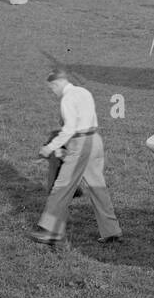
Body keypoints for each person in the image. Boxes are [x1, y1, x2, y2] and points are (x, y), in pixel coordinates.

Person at [31, 69, 122, 246]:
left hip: (80, 144)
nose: (53, 92)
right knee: (98, 187)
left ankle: (52, 231)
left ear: (56, 84)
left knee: (62, 187)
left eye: (52, 89)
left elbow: (69, 129)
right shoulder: (84, 92)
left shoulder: (66, 99)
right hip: (95, 140)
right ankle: (112, 231)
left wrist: (49, 148)